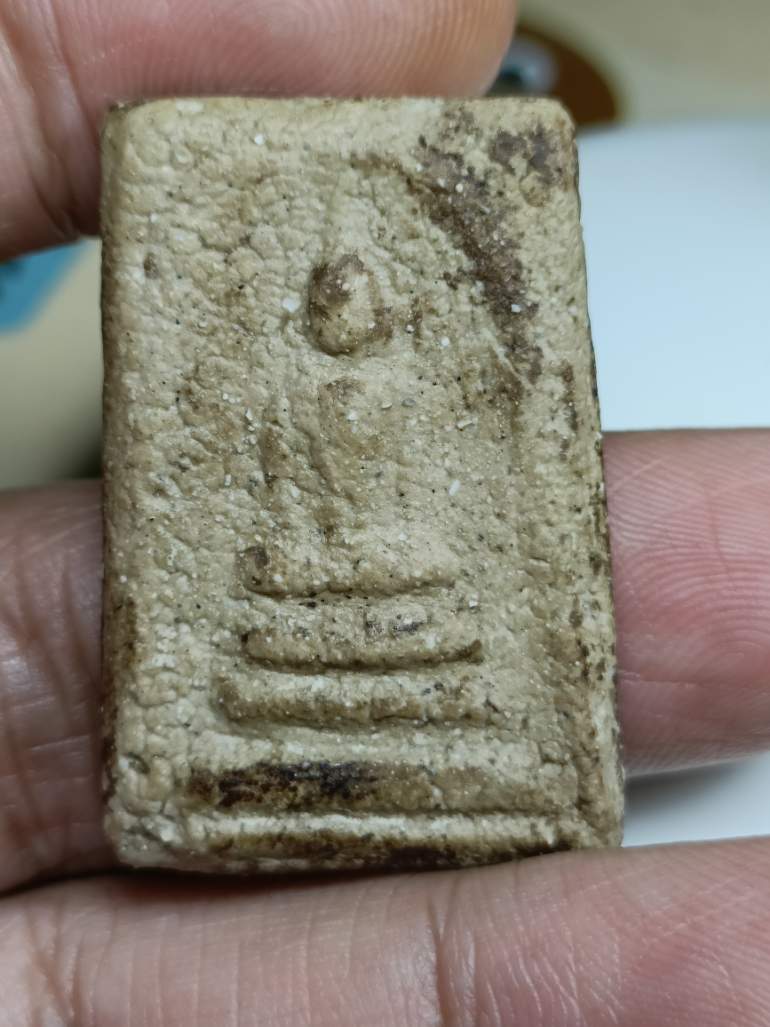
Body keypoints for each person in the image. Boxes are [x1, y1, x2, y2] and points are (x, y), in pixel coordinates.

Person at [1, 1, 768, 1022]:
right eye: (328, 298)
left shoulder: (407, 389)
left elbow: (420, 495)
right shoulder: (292, 393)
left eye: (357, 297)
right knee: (283, 596)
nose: (343, 313)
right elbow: (281, 497)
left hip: (403, 567)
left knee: (427, 601)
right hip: (309, 573)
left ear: (385, 309)